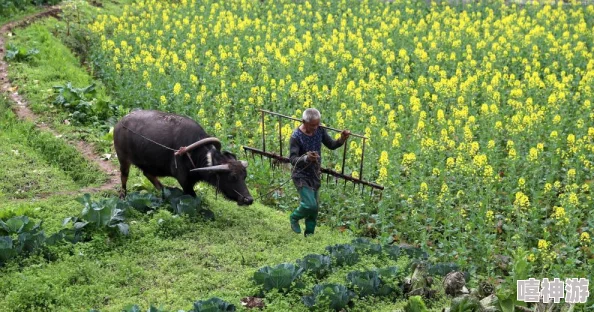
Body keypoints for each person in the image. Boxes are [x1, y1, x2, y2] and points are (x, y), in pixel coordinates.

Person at [289, 108, 351, 236]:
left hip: (314, 174)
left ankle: (309, 235)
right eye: (313, 125)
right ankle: (294, 217)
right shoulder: (296, 137)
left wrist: (342, 139)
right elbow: (293, 159)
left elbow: (332, 145)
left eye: (318, 124)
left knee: (314, 209)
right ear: (304, 122)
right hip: (300, 175)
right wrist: (306, 158)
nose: (316, 127)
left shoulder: (320, 130)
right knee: (310, 205)